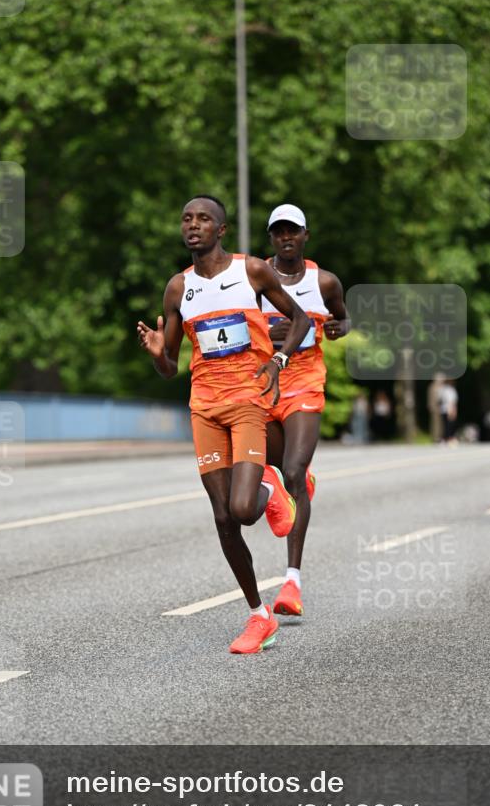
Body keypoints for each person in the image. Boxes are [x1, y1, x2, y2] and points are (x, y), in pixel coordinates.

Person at [137, 196, 310, 654]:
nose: (193, 226)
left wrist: (278, 359)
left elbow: (301, 319)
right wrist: (159, 355)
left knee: (242, 508)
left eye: (203, 219)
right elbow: (172, 366)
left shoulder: (251, 271)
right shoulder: (178, 288)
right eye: (186, 218)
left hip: (248, 402)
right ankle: (259, 615)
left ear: (222, 230)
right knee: (222, 517)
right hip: (205, 408)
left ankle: (270, 489)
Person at [260, 204, 349, 617]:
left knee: (293, 472)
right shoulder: (253, 277)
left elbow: (342, 320)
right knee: (276, 470)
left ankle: (292, 580)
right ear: (271, 238)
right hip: (263, 385)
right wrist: (264, 332)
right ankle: (299, 480)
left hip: (305, 383)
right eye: (278, 232)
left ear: (305, 235)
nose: (286, 238)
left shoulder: (324, 281)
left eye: (292, 231)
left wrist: (335, 328)